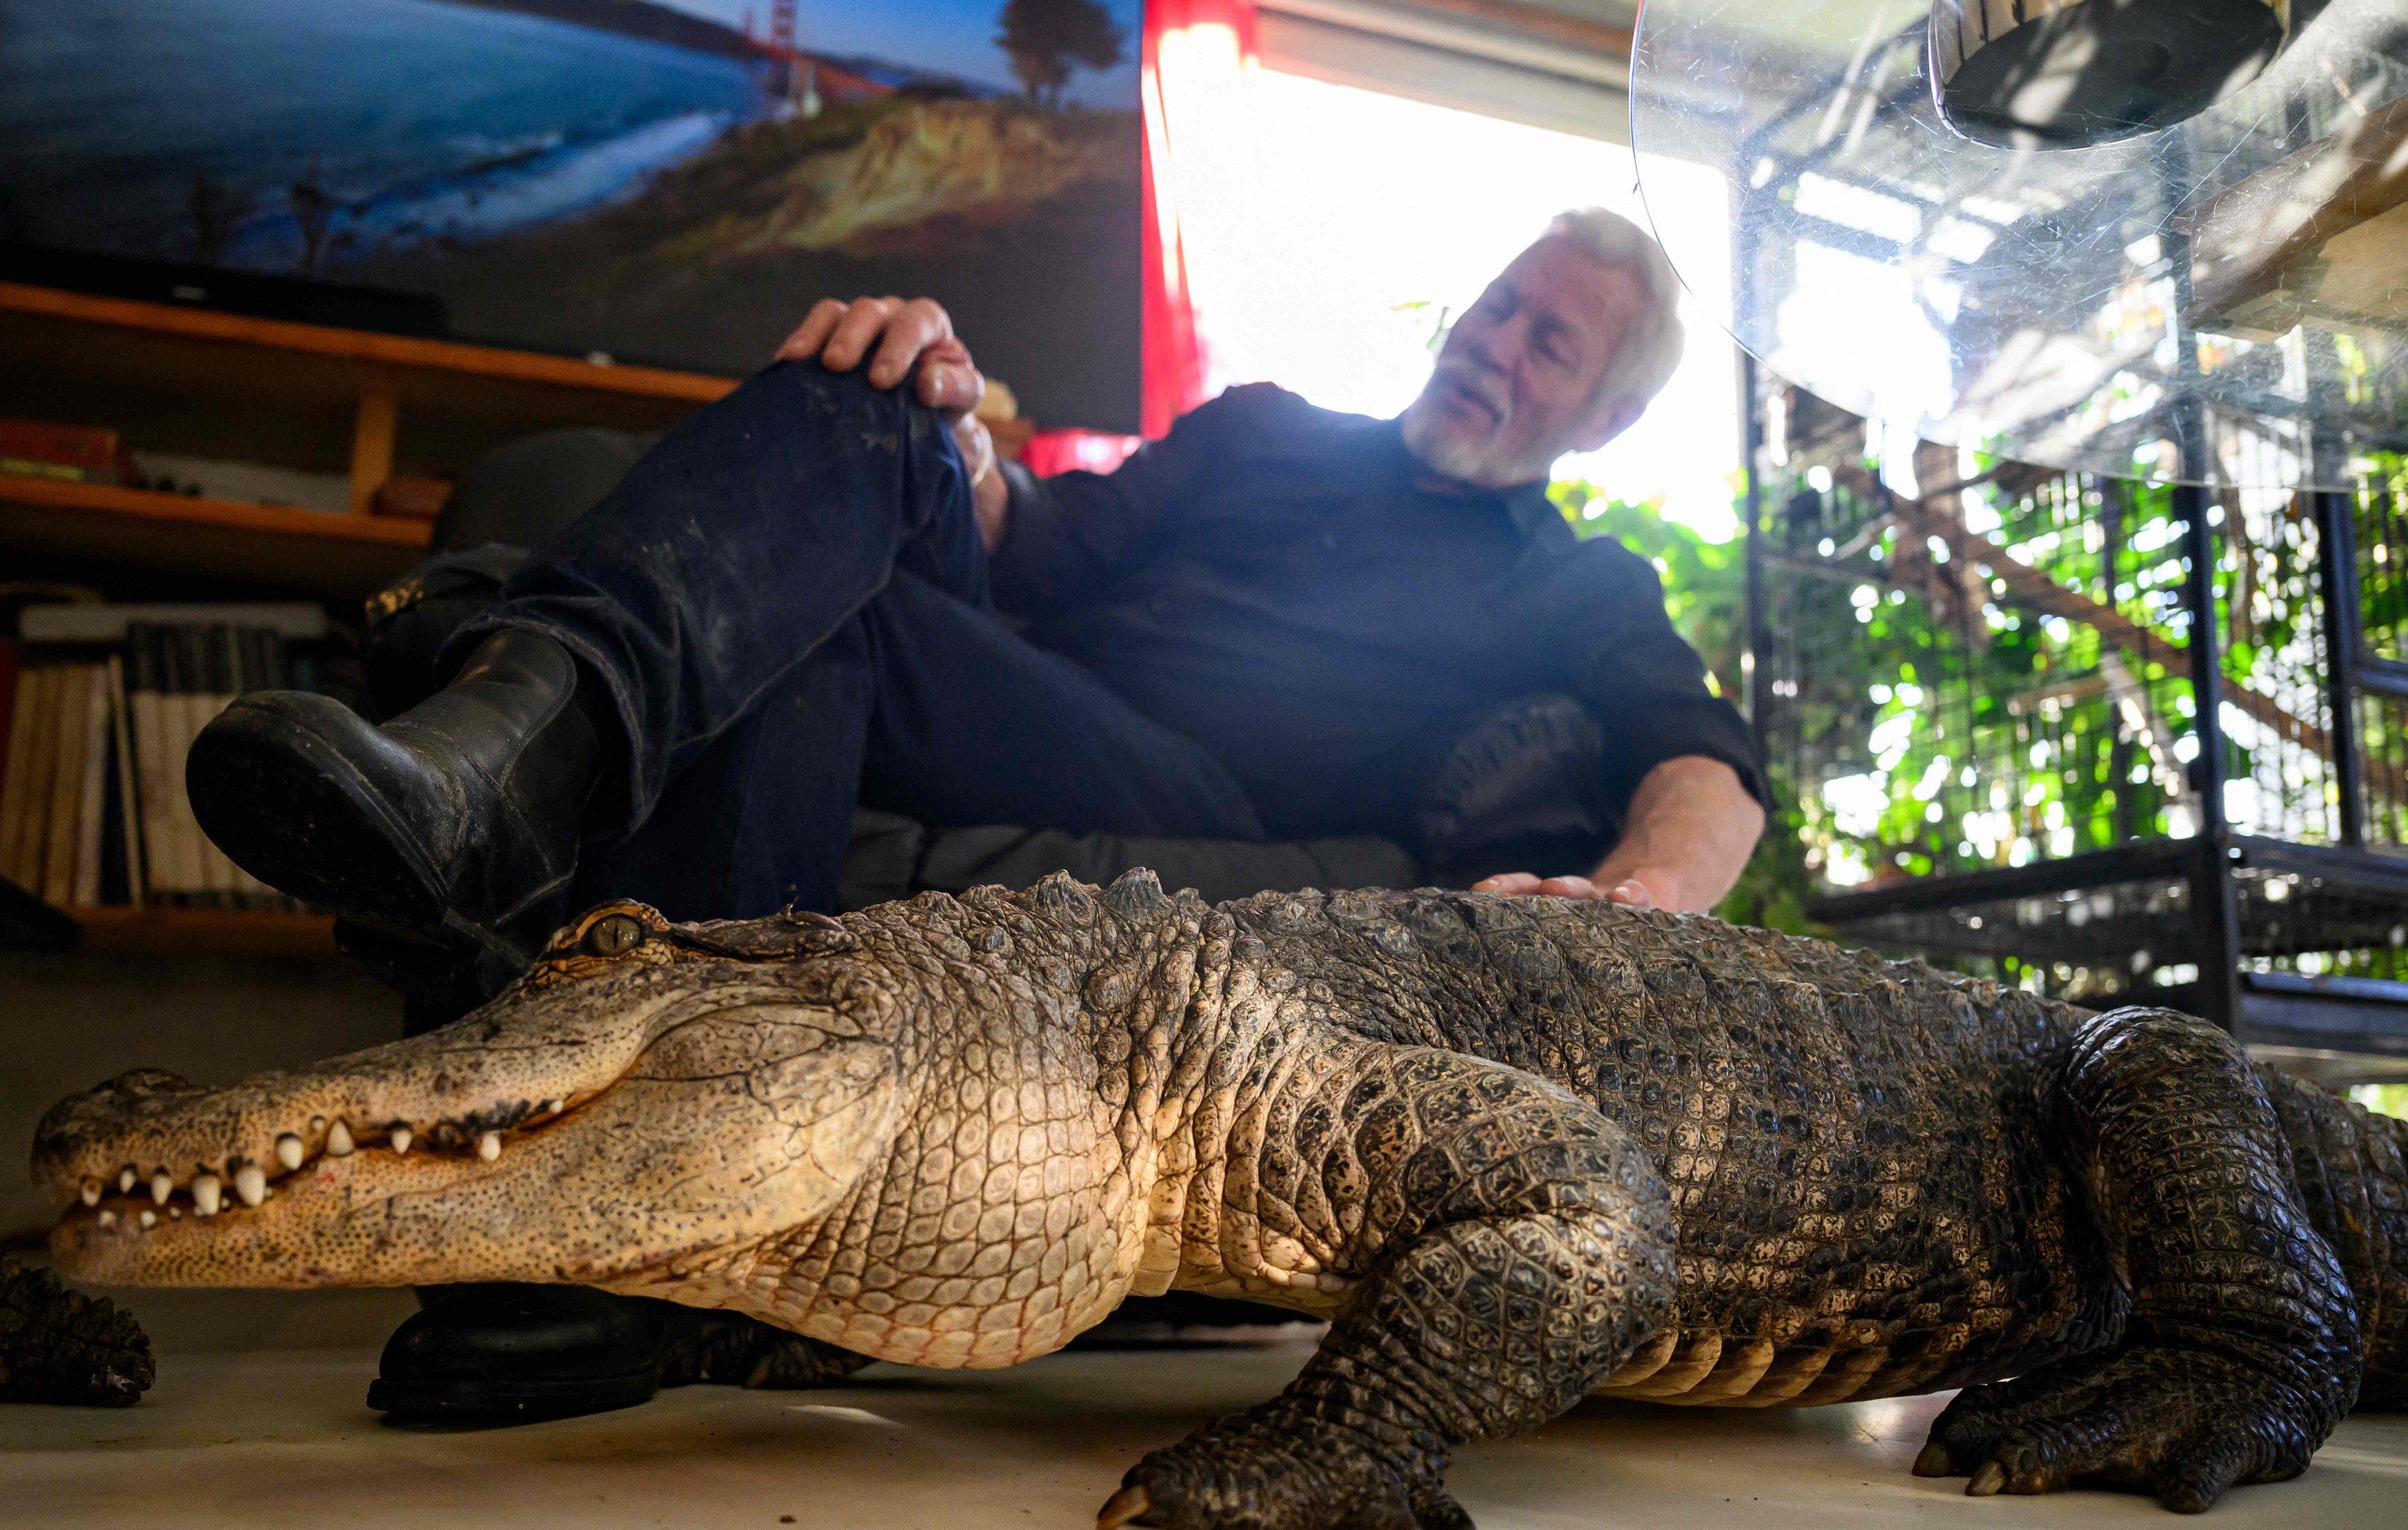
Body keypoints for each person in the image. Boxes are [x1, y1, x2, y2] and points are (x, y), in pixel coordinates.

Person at [186, 207, 1767, 1419]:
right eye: (1501, 302)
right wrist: (940, 408)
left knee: (825, 618)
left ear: (1602, 421)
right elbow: (1028, 540)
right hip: (1017, 687)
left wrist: (1636, 909)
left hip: (1196, 791)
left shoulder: (1575, 584)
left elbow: (1707, 772)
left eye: (1550, 344)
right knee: (860, 386)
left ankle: (499, 742)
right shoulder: (1265, 431)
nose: (1497, 342)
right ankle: (631, 1240)